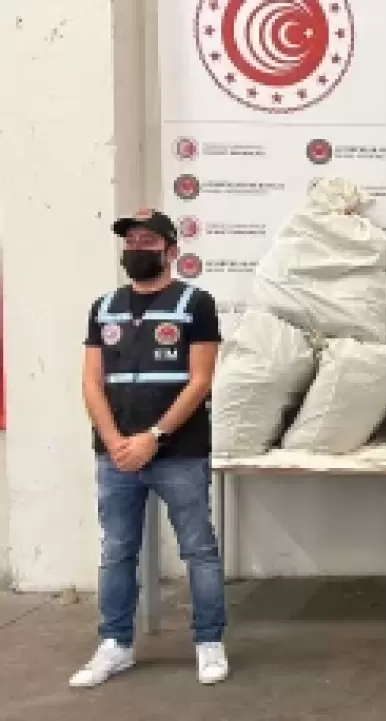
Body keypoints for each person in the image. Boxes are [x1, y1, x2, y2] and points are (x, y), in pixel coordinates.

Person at [71, 209, 229, 688]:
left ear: (171, 251)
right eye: (131, 241)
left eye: (147, 241)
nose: (137, 249)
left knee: (198, 549)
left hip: (179, 452)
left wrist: (153, 437)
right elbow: (91, 381)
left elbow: (200, 380)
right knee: (117, 551)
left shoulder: (196, 303)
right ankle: (115, 645)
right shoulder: (104, 307)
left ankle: (209, 642)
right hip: (116, 455)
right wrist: (115, 441)